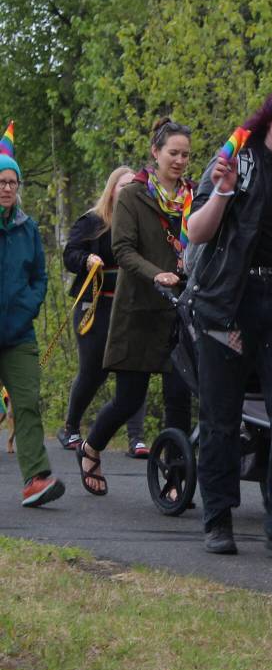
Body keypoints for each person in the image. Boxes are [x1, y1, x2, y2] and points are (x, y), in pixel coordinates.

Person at [186, 87, 272, 559]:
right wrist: (223, 192)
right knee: (221, 418)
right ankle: (218, 518)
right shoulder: (236, 163)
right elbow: (196, 231)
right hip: (228, 301)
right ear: (271, 117)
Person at [77, 118, 193, 496]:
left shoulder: (192, 198)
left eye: (185, 155)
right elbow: (123, 250)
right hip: (139, 309)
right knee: (129, 399)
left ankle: (174, 482)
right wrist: (156, 274)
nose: (179, 160)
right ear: (155, 153)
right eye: (172, 153)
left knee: (179, 399)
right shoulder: (133, 196)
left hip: (179, 310)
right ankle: (91, 447)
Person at [59, 166, 151, 459]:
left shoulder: (142, 222)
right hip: (95, 305)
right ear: (111, 189)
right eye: (121, 186)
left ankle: (136, 437)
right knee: (94, 369)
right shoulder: (93, 221)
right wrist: (87, 259)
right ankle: (71, 426)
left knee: (134, 367)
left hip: (130, 306)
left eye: (131, 186)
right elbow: (69, 254)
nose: (126, 191)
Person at [0, 132, 66, 507]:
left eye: (12, 182)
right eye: (1, 181)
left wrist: (29, 305)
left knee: (26, 403)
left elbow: (39, 276)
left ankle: (36, 479)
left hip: (19, 335)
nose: (7, 187)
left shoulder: (28, 228)